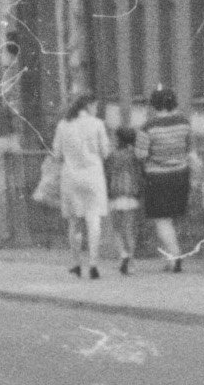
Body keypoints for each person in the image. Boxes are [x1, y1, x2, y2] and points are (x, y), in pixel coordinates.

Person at [51, 94, 111, 279]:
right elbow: (105, 152)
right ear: (89, 106)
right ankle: (93, 264)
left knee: (74, 221)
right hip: (93, 176)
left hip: (71, 177)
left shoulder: (63, 125)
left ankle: (76, 264)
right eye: (95, 106)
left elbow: (56, 154)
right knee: (94, 220)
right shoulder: (97, 124)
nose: (96, 109)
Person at [140, 87, 200, 272]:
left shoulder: (148, 127)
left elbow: (141, 155)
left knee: (162, 220)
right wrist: (196, 178)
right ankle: (170, 259)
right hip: (181, 175)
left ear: (154, 105)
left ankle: (174, 255)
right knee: (174, 217)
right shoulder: (184, 123)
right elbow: (192, 153)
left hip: (157, 178)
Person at [105, 125, 145, 275]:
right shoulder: (135, 157)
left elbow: (107, 175)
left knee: (117, 229)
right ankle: (132, 261)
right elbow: (141, 176)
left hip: (115, 195)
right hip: (131, 196)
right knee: (129, 230)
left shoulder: (112, 156)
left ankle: (123, 254)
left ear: (118, 139)